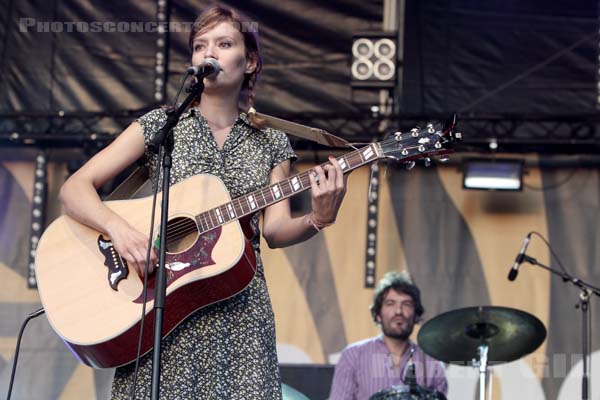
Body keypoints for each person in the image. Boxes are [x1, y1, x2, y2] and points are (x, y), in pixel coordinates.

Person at [59, 5, 347, 399]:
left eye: (224, 43)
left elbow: (275, 231)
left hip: (240, 315)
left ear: (249, 62)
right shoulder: (162, 125)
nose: (208, 53)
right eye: (199, 46)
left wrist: (318, 217)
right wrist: (121, 232)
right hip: (162, 307)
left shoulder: (271, 140)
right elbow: (75, 188)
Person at [329, 271, 448, 399]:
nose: (398, 311)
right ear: (378, 314)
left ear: (416, 314)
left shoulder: (431, 362)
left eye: (406, 304)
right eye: (390, 303)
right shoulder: (353, 356)